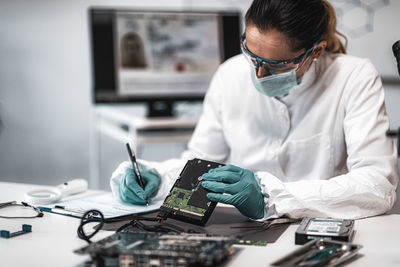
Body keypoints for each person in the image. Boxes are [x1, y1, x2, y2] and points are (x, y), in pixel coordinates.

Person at [110, 0, 399, 220]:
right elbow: (200, 162)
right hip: (240, 229)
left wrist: (269, 196)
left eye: (276, 65)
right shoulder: (229, 74)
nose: (258, 74)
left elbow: (377, 185)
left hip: (318, 232)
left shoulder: (354, 77)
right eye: (251, 55)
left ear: (316, 52)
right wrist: (159, 179)